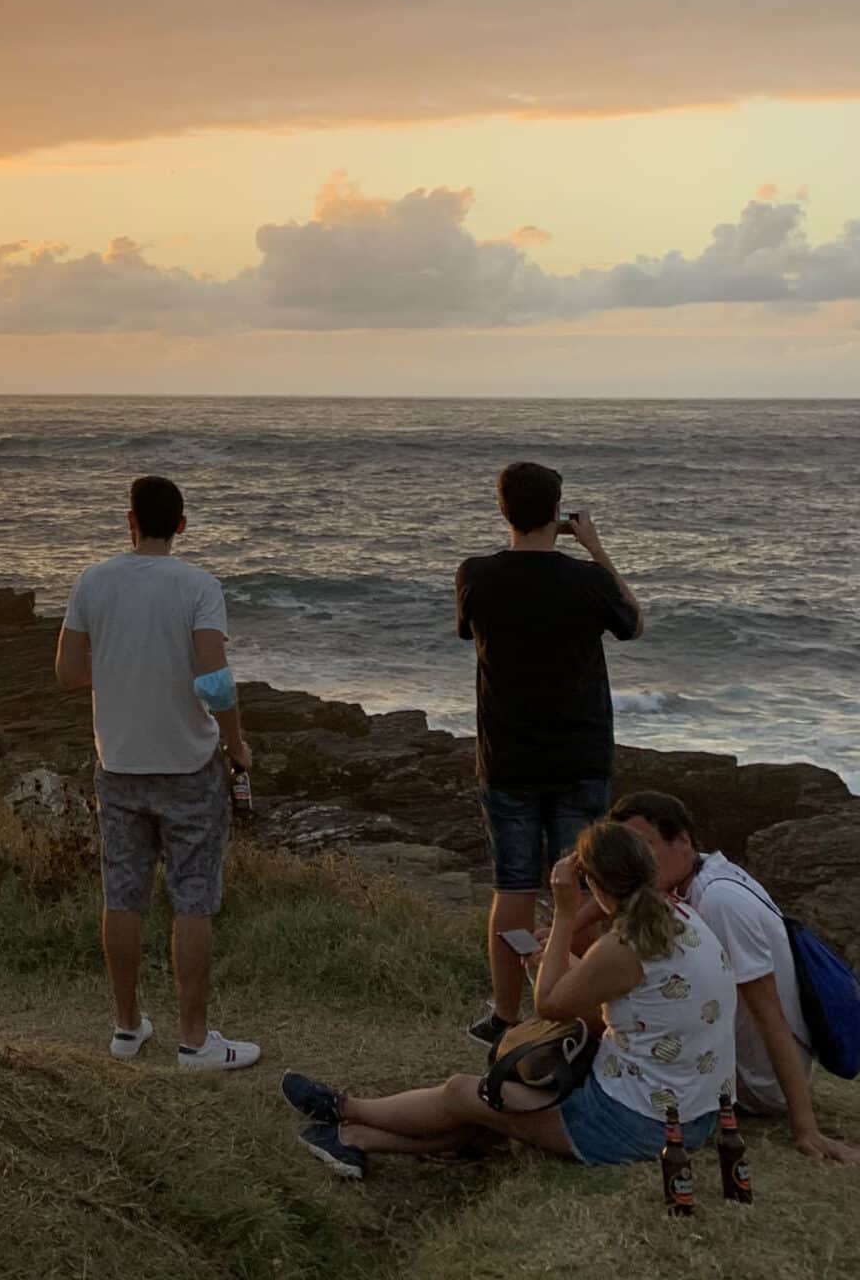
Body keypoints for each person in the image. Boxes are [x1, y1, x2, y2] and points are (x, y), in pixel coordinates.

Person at [284, 821, 734, 1178]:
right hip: (693, 1112)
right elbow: (620, 990)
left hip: (637, 1125)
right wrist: (559, 960)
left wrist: (561, 911)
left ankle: (343, 1109)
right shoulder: (680, 917)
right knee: (498, 1111)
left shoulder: (625, 945)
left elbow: (550, 1005)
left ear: (593, 883)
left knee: (465, 1092)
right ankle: (356, 1137)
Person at [55, 475, 257, 1070]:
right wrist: (237, 742)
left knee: (122, 897)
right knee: (191, 900)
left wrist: (124, 670)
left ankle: (125, 1027)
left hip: (116, 760)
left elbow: (68, 671)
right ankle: (194, 1041)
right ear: (183, 525)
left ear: (129, 521)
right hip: (188, 764)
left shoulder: (94, 580)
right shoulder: (197, 585)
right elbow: (215, 681)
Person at [457, 461, 643, 1048]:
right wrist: (595, 547)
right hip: (580, 753)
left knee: (512, 886)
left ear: (502, 509)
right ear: (558, 511)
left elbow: (469, 631)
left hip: (509, 755)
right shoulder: (585, 579)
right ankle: (585, 1013)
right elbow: (634, 622)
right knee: (586, 889)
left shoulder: (477, 576)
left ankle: (506, 1016)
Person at [608, 790, 859, 1163]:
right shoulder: (706, 873)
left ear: (683, 842)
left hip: (756, 1084)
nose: (637, 862)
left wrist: (806, 1130)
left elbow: (769, 1015)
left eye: (646, 847)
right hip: (733, 1059)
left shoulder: (719, 903)